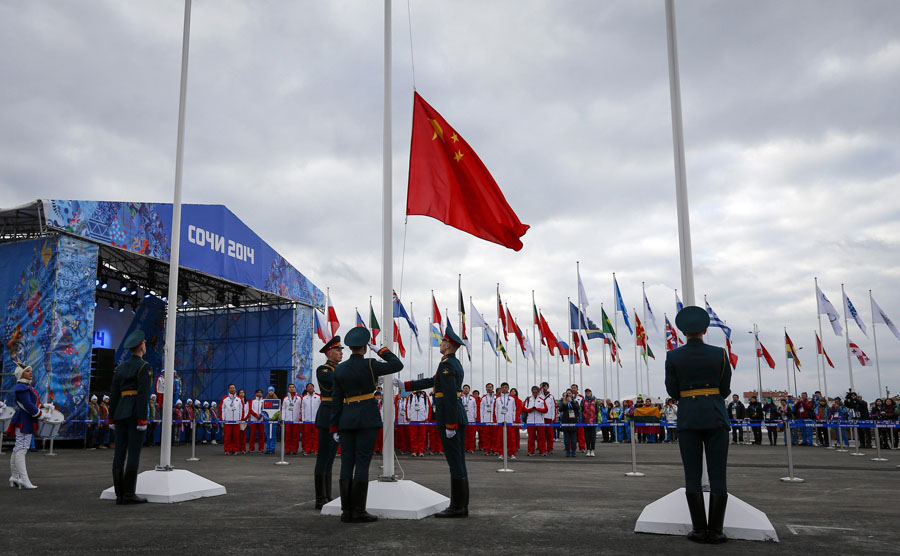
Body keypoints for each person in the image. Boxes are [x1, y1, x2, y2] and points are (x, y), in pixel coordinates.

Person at [665, 306, 731, 544]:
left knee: (692, 475)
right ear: (705, 329)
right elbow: (724, 390)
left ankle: (698, 530)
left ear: (683, 332)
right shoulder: (720, 354)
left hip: (689, 418)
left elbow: (673, 391)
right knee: (718, 474)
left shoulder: (673, 356)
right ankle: (716, 531)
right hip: (715, 416)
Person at [330, 327, 403, 523]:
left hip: (346, 419)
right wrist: (381, 351)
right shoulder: (371, 364)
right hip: (367, 419)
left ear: (351, 347)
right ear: (364, 347)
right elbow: (397, 364)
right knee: (362, 463)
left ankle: (346, 511)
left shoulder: (340, 369)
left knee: (347, 463)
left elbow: (336, 400)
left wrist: (334, 426)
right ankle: (358, 511)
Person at [401, 326, 469, 518]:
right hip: (454, 415)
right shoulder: (451, 363)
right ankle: (461, 505)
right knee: (458, 462)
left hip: (451, 416)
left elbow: (447, 395)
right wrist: (407, 385)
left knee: (455, 462)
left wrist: (450, 424)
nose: (440, 344)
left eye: (442, 342)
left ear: (448, 345)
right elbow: (432, 381)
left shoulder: (447, 365)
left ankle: (458, 507)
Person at [108, 330, 153, 504]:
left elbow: (114, 393)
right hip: (134, 413)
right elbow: (142, 395)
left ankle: (120, 494)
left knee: (119, 453)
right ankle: (129, 494)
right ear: (141, 346)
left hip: (120, 412)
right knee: (133, 453)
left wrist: (111, 417)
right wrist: (142, 419)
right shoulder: (144, 366)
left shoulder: (121, 367)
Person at [7, 362, 51, 489]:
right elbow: (28, 405)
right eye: (27, 371)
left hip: (25, 419)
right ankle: (24, 480)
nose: (30, 372)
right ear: (21, 374)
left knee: (18, 448)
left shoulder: (26, 387)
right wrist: (42, 414)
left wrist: (44, 406)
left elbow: (32, 402)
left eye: (31, 371)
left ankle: (15, 477)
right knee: (22, 449)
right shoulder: (22, 387)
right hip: (24, 420)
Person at [314, 335, 343, 509]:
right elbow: (336, 382)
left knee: (331, 458)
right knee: (323, 458)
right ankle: (319, 498)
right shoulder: (323, 370)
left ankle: (327, 495)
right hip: (327, 414)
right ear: (329, 352)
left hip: (337, 414)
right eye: (338, 350)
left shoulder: (338, 369)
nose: (341, 353)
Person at [493, 382, 518, 460]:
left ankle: (512, 453)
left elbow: (514, 410)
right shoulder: (497, 399)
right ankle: (501, 453)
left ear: (508, 388)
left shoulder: (512, 399)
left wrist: (513, 420)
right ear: (501, 389)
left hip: (509, 421)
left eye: (506, 387)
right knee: (500, 438)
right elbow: (496, 410)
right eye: (503, 387)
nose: (504, 388)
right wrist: (497, 420)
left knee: (511, 439)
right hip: (500, 421)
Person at [523, 385, 548, 455]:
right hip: (530, 421)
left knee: (541, 437)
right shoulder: (528, 399)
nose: (535, 393)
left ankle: (542, 451)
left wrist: (537, 409)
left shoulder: (542, 400)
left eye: (536, 392)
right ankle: (531, 451)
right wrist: (530, 410)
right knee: (531, 438)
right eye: (534, 392)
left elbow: (546, 410)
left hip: (540, 421)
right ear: (532, 392)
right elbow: (524, 408)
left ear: (538, 392)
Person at [406, 390, 431, 457]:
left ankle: (421, 451)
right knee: (413, 436)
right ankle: (414, 450)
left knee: (422, 436)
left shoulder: (425, 396)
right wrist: (408, 417)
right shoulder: (411, 396)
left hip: (422, 419)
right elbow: (408, 407)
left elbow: (428, 407)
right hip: (413, 419)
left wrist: (427, 417)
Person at [220, 384, 243, 455]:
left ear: (235, 389)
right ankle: (227, 450)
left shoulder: (239, 398)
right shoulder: (225, 398)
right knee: (227, 436)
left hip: (236, 421)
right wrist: (223, 418)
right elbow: (222, 409)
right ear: (228, 390)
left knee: (236, 436)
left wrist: (240, 418)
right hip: (227, 421)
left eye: (233, 388)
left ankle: (235, 449)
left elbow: (241, 409)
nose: (232, 389)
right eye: (231, 388)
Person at [301, 383, 321, 455]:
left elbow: (321, 409)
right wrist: (303, 419)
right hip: (307, 421)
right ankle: (307, 450)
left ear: (314, 387)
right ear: (306, 389)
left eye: (311, 386)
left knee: (316, 436)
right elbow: (302, 409)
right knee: (307, 437)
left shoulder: (318, 397)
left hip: (316, 421)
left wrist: (320, 418)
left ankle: (316, 450)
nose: (310, 388)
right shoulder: (304, 398)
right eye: (308, 387)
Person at [558, 390, 580, 457]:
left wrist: (571, 401)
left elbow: (577, 408)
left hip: (573, 422)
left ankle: (573, 451)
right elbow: (560, 409)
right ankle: (567, 451)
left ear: (572, 394)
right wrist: (564, 402)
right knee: (566, 439)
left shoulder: (575, 401)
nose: (568, 395)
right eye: (567, 393)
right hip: (565, 422)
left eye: (570, 393)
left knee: (573, 439)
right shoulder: (563, 401)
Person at [282, 384, 302, 455]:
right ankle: (287, 449)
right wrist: (283, 419)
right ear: (288, 389)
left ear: (295, 388)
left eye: (293, 387)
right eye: (290, 387)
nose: (292, 388)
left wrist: (300, 418)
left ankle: (294, 449)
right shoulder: (285, 398)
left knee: (296, 436)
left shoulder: (299, 398)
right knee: (287, 436)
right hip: (288, 420)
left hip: (296, 420)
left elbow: (301, 409)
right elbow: (283, 409)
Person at [479, 383, 497, 456]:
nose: (488, 388)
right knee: (486, 436)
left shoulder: (496, 397)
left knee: (494, 436)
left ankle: (495, 449)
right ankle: (487, 449)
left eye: (490, 387)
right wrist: (482, 421)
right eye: (487, 387)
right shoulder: (484, 398)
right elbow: (481, 409)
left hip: (494, 420)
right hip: (486, 419)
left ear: (492, 388)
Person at [460, 385, 479, 453]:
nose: (465, 390)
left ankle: (471, 448)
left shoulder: (473, 398)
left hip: (471, 419)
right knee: (463, 435)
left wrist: (475, 416)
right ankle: (464, 448)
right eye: (464, 388)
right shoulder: (460, 398)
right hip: (462, 419)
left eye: (467, 388)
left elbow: (476, 408)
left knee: (471, 435)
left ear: (469, 390)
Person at [582, 389, 600, 456]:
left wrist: (598, 419)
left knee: (592, 436)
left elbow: (598, 410)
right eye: (586, 392)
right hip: (586, 421)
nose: (588, 393)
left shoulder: (595, 400)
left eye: (589, 392)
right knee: (587, 436)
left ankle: (592, 450)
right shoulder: (583, 400)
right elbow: (581, 410)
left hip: (593, 420)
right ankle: (588, 450)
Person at [540, 382, 556, 454]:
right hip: (540, 418)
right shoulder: (539, 395)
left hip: (549, 417)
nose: (544, 388)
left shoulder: (551, 397)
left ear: (548, 387)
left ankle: (550, 448)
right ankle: (542, 448)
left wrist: (553, 417)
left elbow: (553, 407)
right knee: (541, 435)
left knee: (550, 434)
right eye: (542, 386)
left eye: (545, 386)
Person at [264, 387, 279, 454]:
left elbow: (278, 411)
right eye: (269, 391)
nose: (270, 392)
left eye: (272, 391)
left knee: (273, 435)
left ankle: (272, 448)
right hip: (267, 420)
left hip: (274, 420)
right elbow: (262, 411)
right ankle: (268, 448)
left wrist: (273, 418)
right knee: (267, 434)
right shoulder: (264, 401)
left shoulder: (277, 401)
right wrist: (267, 418)